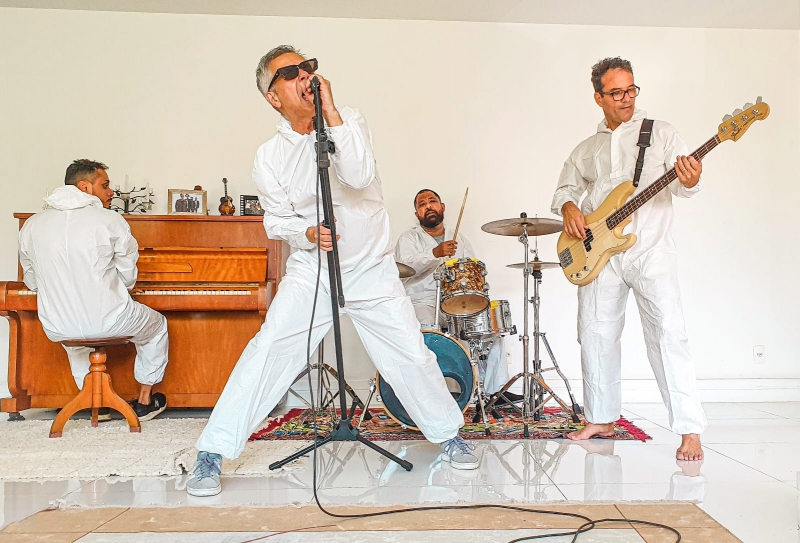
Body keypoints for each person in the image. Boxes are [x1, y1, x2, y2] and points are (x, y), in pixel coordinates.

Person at [187, 46, 478, 498]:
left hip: (371, 268)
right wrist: (304, 232)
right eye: (289, 72)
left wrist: (333, 114)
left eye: (307, 67)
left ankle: (448, 434)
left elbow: (359, 176)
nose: (304, 75)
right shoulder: (269, 156)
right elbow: (275, 220)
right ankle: (212, 451)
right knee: (269, 350)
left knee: (410, 352)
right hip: (313, 271)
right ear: (272, 96)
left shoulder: (349, 120)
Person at [551, 57, 707, 461]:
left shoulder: (662, 133)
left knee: (668, 333)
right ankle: (601, 418)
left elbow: (684, 185)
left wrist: (691, 180)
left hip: (650, 250)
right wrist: (569, 207)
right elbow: (565, 188)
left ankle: (689, 429)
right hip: (599, 252)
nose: (626, 99)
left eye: (631, 90)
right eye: (617, 92)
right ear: (598, 97)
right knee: (595, 333)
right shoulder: (587, 148)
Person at [19, 159, 169, 422]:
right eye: (105, 185)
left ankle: (94, 403)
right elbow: (128, 276)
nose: (111, 192)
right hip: (109, 319)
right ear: (85, 187)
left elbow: (32, 281)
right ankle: (145, 400)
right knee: (157, 326)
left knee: (74, 337)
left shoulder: (32, 224)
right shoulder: (110, 220)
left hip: (57, 325)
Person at [394, 189, 520, 402]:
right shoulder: (409, 238)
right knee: (429, 332)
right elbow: (405, 266)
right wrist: (435, 253)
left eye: (432, 201)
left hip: (457, 302)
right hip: (423, 300)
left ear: (442, 207)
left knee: (491, 330)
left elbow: (473, 271)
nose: (428, 206)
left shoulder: (459, 238)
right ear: (417, 214)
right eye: (422, 204)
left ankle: (495, 391)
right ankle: (443, 393)